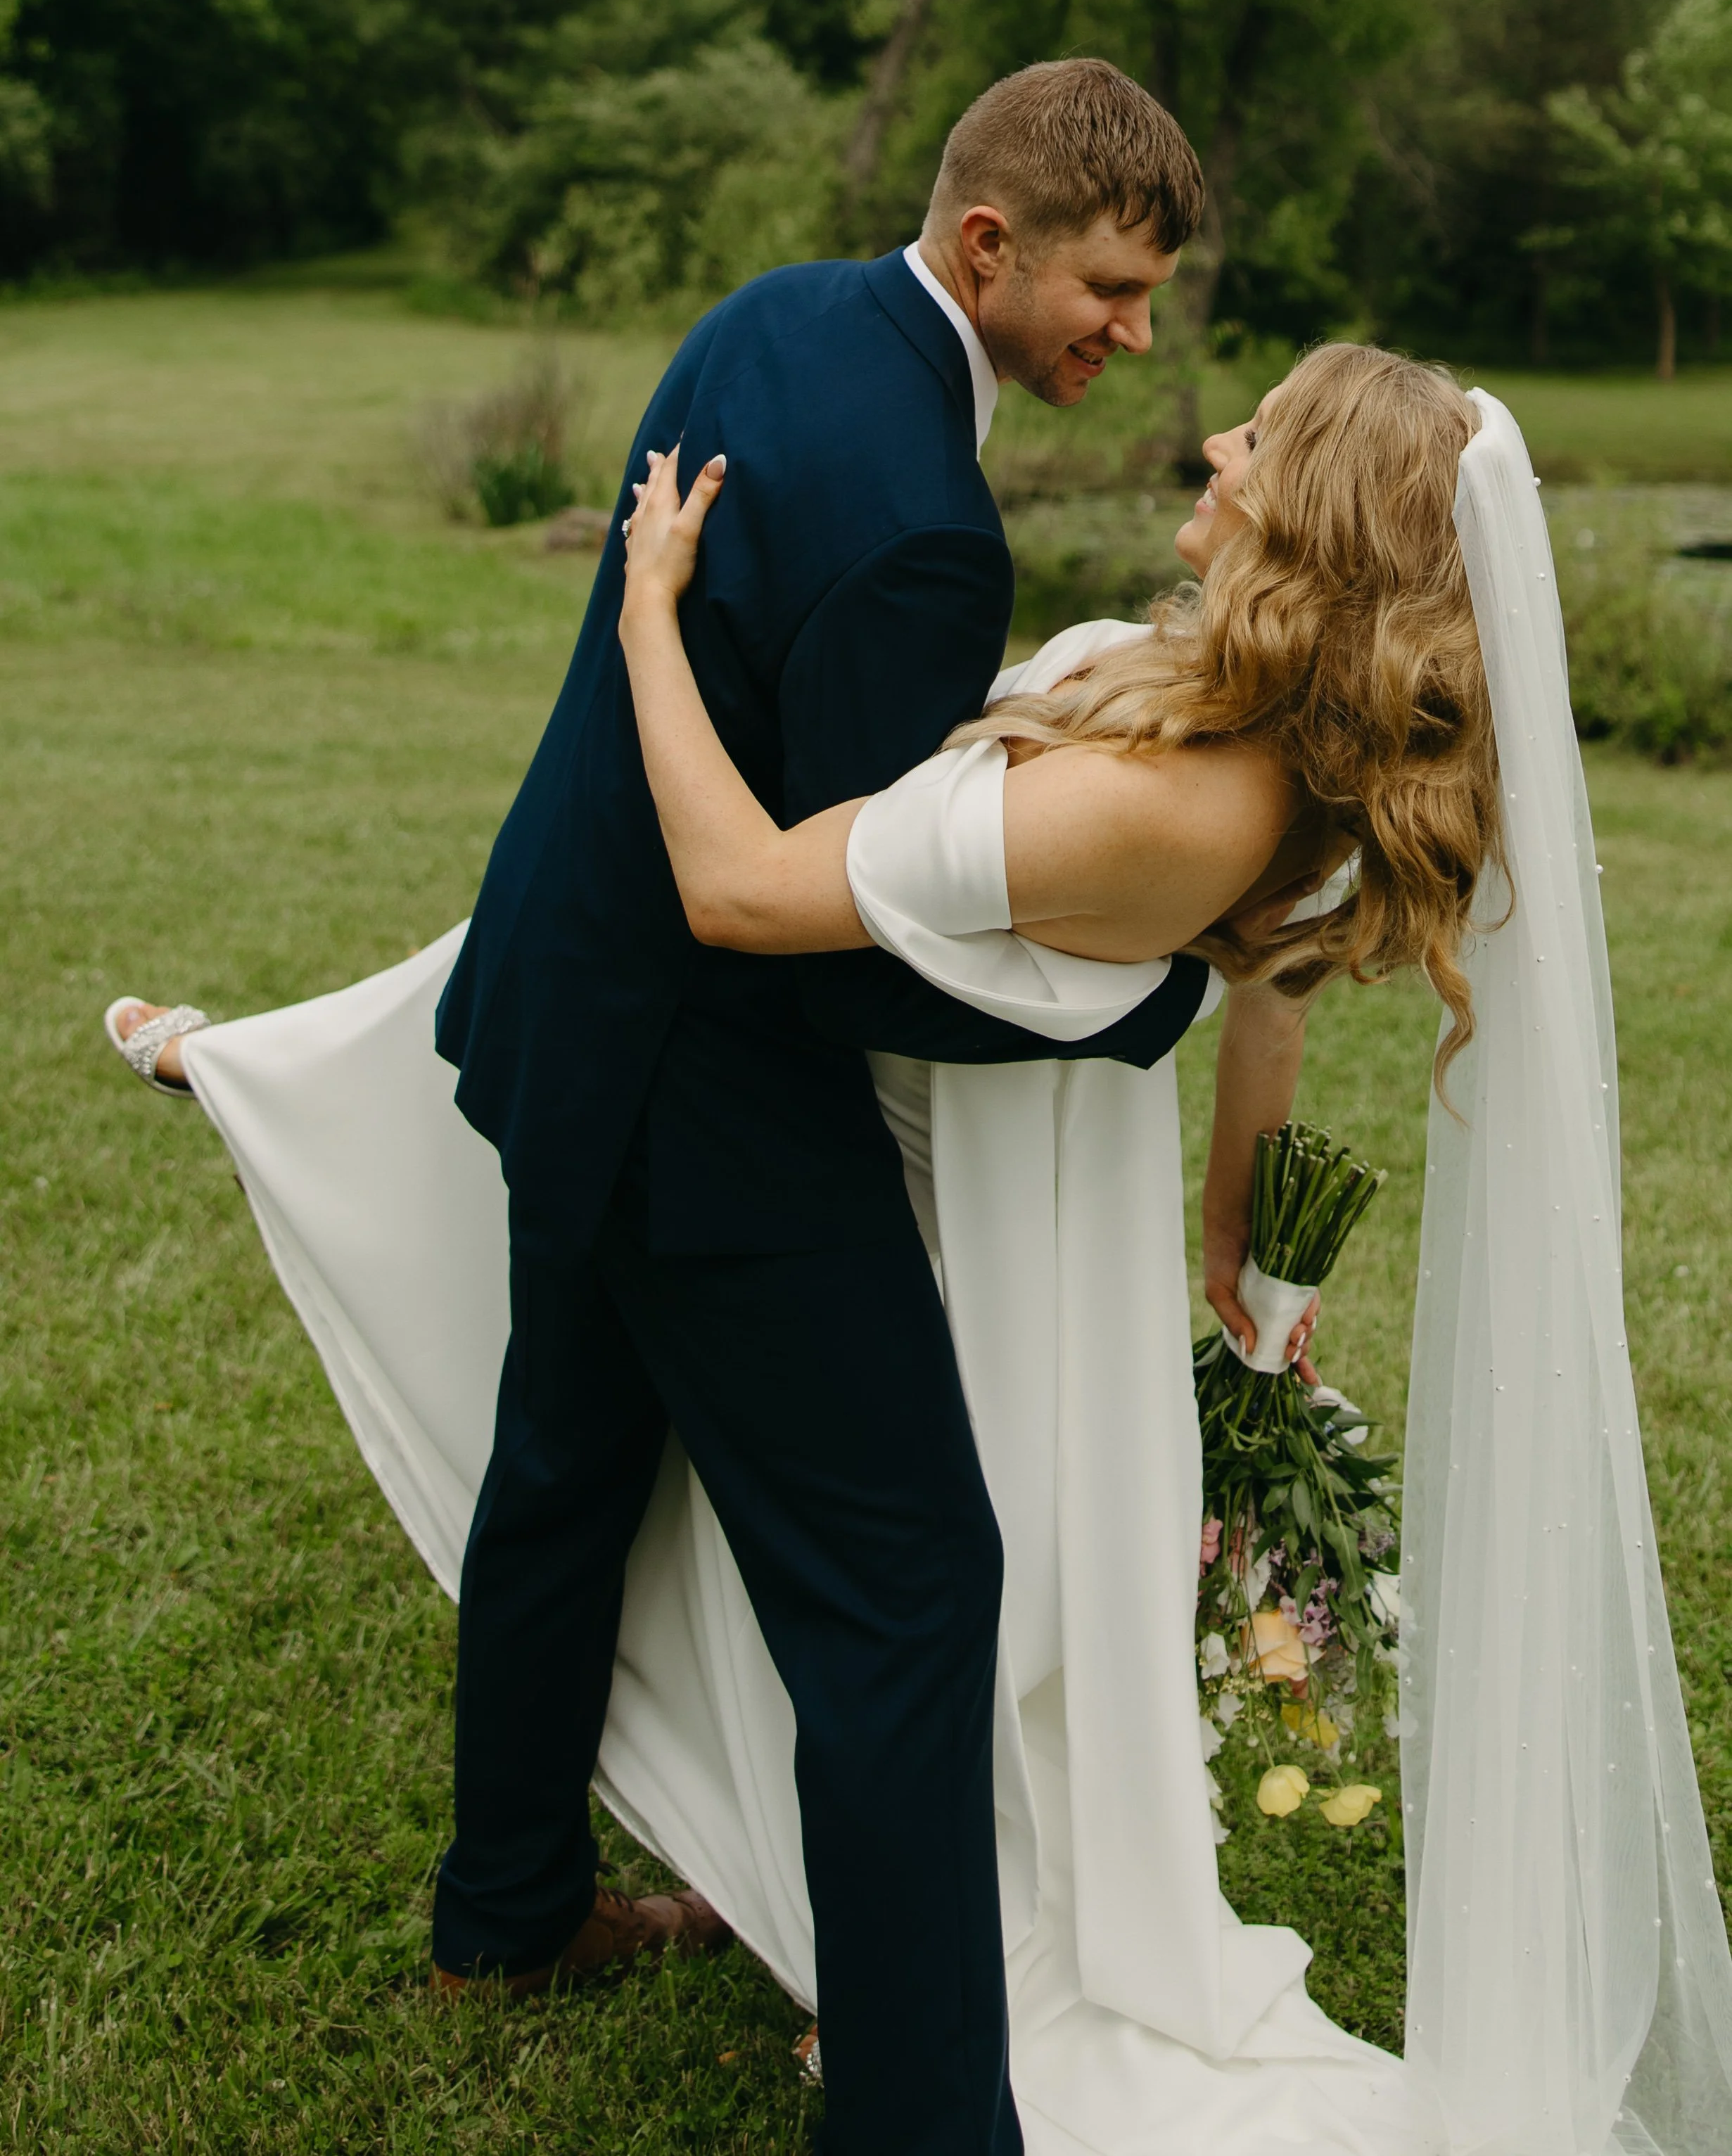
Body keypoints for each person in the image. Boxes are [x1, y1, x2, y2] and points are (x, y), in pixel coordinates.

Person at [106, 346, 1732, 2152]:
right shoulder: (1263, 722)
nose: (1209, 434)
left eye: (1257, 437)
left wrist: (645, 615)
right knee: (670, 1487)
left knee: (917, 1583)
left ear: (1322, 522)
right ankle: (606, 1917)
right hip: (964, 1159)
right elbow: (1267, 999)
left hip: (949, 1176)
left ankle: (903, 2044)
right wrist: (1232, 1234)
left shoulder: (1169, 802)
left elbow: (731, 888)